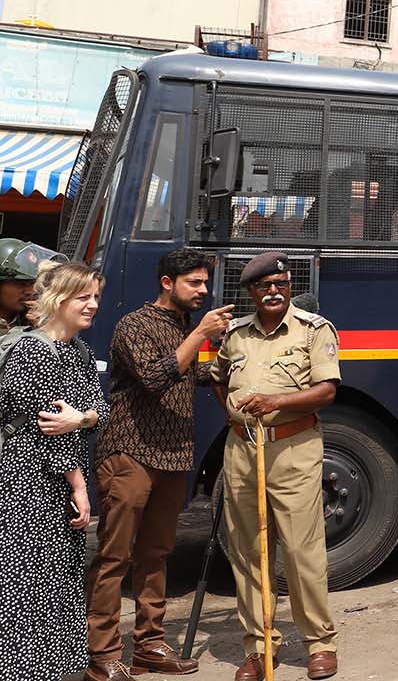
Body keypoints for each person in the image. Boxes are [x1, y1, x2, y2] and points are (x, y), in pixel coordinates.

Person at [86, 248, 234, 681]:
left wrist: (225, 363)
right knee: (114, 556)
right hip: (129, 452)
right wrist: (200, 335)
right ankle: (102, 655)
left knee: (156, 554)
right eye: (194, 282)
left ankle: (149, 645)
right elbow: (154, 377)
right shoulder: (134, 324)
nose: (203, 290)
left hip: (172, 455)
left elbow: (188, 374)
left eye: (205, 282)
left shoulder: (184, 325)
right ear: (167, 283)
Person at [208, 252, 340, 681]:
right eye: (264, 286)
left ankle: (320, 643)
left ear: (289, 286)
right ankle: (259, 646)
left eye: (280, 284)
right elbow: (218, 379)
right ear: (251, 291)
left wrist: (276, 402)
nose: (273, 292)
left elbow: (327, 391)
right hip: (242, 451)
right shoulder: (236, 335)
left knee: (302, 551)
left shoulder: (313, 330)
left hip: (293, 449)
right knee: (248, 551)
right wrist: (237, 417)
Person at [0, 262, 108, 681]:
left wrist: (80, 419)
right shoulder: (34, 351)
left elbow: (99, 412)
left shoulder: (79, 350)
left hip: (56, 482)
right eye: (83, 297)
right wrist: (79, 487)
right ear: (58, 299)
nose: (92, 304)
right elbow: (49, 431)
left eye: (95, 296)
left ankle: (50, 669)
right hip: (27, 482)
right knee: (27, 584)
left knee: (57, 580)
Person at [0, 238, 63, 334]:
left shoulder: (31, 319)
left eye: (33, 283)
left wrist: (46, 327)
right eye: (21, 284)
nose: (30, 291)